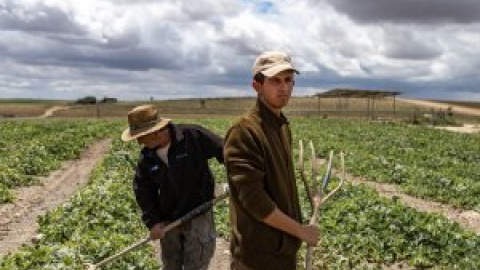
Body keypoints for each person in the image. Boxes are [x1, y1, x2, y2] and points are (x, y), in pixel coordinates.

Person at [224, 51, 319, 270]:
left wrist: (294, 233)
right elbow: (255, 201)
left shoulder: (281, 127)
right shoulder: (244, 132)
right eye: (275, 81)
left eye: (288, 80)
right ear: (257, 86)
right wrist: (300, 231)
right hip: (258, 257)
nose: (283, 88)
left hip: (282, 250)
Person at [121, 104, 224, 270]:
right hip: (168, 219)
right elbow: (143, 190)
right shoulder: (148, 156)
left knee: (196, 264)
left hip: (198, 213)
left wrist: (238, 178)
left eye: (141, 136)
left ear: (156, 131)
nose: (139, 142)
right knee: (171, 265)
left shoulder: (193, 136)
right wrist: (153, 222)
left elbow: (227, 151)